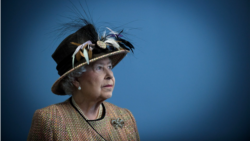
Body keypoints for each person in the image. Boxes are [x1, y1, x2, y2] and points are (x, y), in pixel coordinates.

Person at [27, 19, 140, 140]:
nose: (110, 75)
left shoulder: (126, 117)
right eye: (99, 68)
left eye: (109, 67)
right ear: (75, 79)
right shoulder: (49, 119)